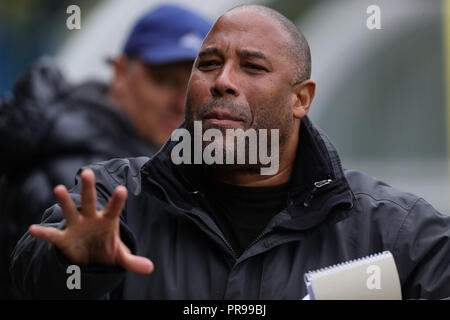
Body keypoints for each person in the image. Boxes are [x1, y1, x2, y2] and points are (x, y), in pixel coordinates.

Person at [10, 5, 450, 299]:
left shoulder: (392, 231)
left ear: (301, 98)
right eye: (208, 64)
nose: (221, 80)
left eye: (253, 66)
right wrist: (76, 264)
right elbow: (31, 277)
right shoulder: (116, 197)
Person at [0, 4, 211, 299]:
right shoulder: (75, 171)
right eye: (164, 81)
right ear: (120, 72)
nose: (180, 104)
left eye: (194, 89)